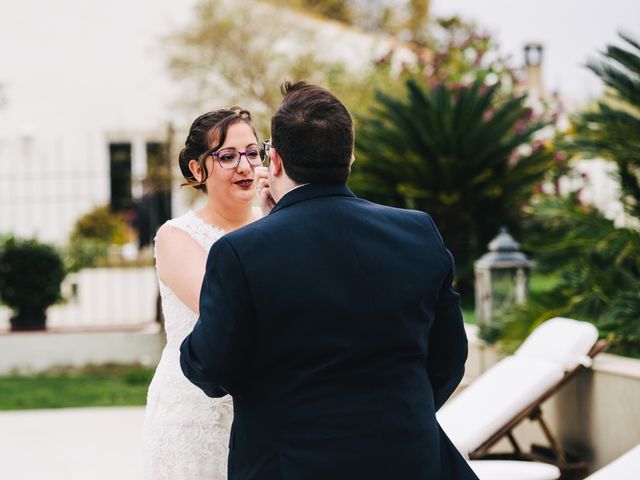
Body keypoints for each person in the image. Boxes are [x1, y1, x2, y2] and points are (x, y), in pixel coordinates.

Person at [180, 82, 478, 479]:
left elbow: (210, 368)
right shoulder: (418, 232)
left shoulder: (243, 252)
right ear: (350, 156)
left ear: (278, 161)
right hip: (410, 459)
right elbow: (449, 358)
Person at [142, 107, 268, 479]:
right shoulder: (176, 237)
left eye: (252, 152)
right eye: (227, 157)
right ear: (197, 170)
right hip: (193, 413)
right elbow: (222, 312)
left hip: (264, 409)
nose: (244, 166)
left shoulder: (278, 224)